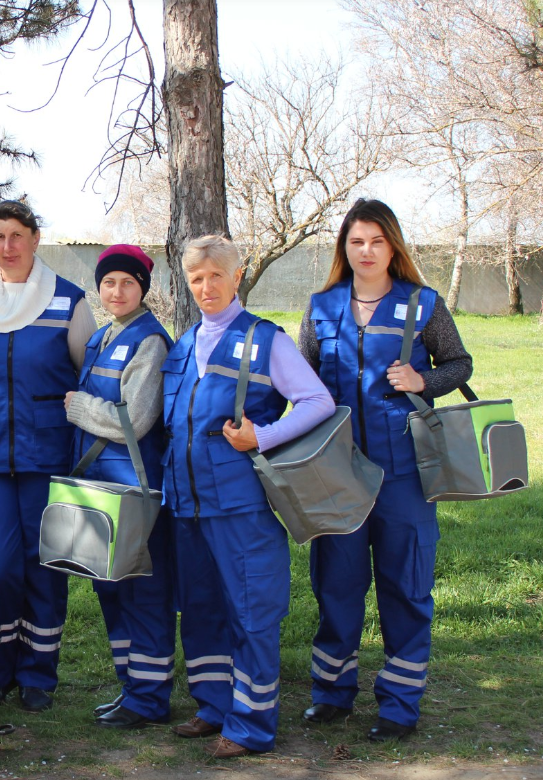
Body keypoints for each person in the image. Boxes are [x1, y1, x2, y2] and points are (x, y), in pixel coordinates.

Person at [298, 199, 472, 742]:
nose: (366, 251)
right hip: (337, 473)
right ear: (343, 249)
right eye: (356, 241)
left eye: (376, 240)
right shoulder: (321, 307)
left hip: (405, 475)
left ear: (392, 245)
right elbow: (302, 383)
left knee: (406, 587)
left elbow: (459, 364)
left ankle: (399, 705)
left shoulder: (424, 304)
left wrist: (424, 382)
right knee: (337, 585)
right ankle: (331, 694)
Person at [163, 235, 335, 757]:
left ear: (238, 276)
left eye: (216, 275)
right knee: (199, 609)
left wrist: (262, 435)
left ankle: (251, 723)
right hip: (186, 504)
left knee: (250, 611)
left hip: (240, 504)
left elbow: (317, 400)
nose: (206, 287)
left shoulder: (266, 340)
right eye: (196, 279)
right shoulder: (184, 342)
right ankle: (214, 705)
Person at [0, 200, 97, 713]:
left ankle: (39, 672)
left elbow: (89, 377)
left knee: (44, 565)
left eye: (17, 235)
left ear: (35, 239)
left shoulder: (69, 300)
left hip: (48, 454)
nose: (8, 246)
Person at [64, 244, 174, 729]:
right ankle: (130, 687)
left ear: (143, 289)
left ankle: (150, 698)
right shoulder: (104, 335)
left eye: (128, 283)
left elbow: (140, 419)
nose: (117, 290)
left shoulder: (150, 340)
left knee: (141, 590)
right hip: (99, 483)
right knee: (110, 587)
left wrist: (79, 407)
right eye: (109, 282)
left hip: (133, 484)